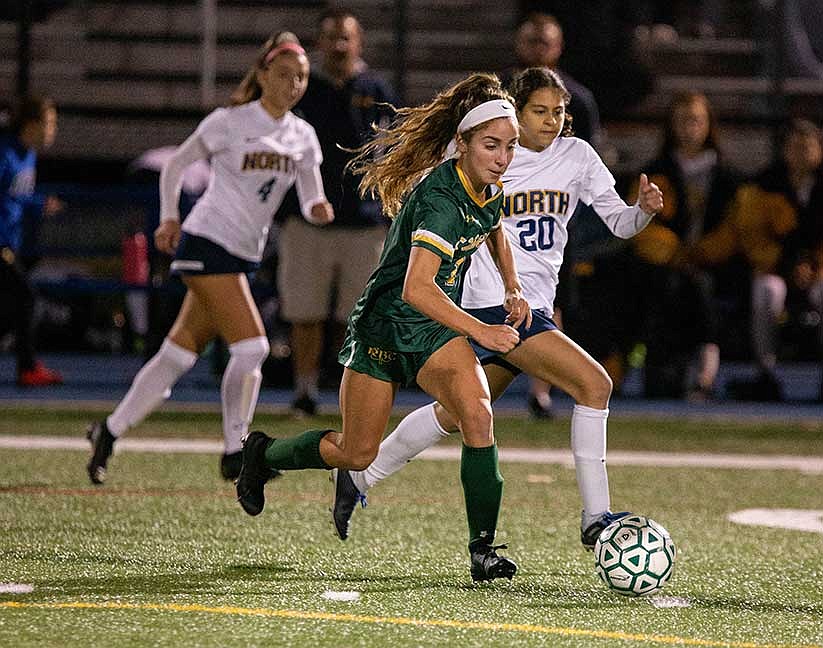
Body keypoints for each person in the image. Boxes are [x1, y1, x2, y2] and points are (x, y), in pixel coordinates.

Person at [330, 67, 663, 548]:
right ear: (514, 111)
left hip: (531, 306)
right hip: (490, 307)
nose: (551, 122)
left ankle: (359, 479)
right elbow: (440, 208)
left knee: (453, 413)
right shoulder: (482, 155)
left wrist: (643, 211)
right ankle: (596, 519)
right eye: (540, 112)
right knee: (594, 385)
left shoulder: (578, 156)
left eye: (559, 112)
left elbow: (619, 222)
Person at [235, 73, 531, 583]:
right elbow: (416, 289)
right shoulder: (440, 200)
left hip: (435, 329)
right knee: (355, 452)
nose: (502, 157)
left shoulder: (487, 184)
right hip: (386, 327)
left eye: (509, 146)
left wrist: (512, 285)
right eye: (491, 145)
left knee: (478, 413)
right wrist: (481, 332)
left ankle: (483, 550)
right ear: (461, 144)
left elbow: (495, 227)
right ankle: (262, 454)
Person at [85, 32, 334, 485]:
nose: (293, 84)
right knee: (253, 347)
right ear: (261, 76)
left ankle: (107, 431)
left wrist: (318, 210)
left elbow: (311, 195)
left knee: (175, 359)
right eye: (283, 75)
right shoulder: (230, 121)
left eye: (300, 77)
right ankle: (234, 452)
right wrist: (167, 219)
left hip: (242, 253)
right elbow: (176, 165)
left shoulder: (303, 135)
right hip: (206, 241)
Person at [277, 8, 397, 416]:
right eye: (332, 37)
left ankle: (352, 393)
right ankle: (305, 389)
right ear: (319, 43)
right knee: (305, 312)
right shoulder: (303, 88)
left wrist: (388, 208)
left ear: (359, 42)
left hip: (363, 221)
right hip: (308, 219)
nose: (340, 45)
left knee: (358, 316)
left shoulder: (378, 87)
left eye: (347, 37)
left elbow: (395, 152)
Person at [506, 11, 603, 417]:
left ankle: (541, 389)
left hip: (550, 220)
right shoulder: (498, 93)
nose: (538, 50)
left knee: (549, 300)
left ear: (559, 48)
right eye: (532, 41)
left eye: (545, 42)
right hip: (502, 217)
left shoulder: (577, 99)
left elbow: (588, 164)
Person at [693, 118, 823, 400]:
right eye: (794, 146)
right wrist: (787, 266)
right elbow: (753, 236)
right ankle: (766, 371)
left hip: (817, 272)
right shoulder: (765, 185)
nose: (801, 153)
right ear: (784, 150)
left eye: (808, 147)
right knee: (766, 291)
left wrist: (814, 267)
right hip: (776, 269)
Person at [628, 91, 739, 399]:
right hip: (664, 268)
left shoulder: (727, 176)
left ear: (708, 125)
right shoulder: (655, 171)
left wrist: (702, 252)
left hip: (716, 266)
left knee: (703, 289)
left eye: (696, 120)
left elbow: (735, 227)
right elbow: (638, 223)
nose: (690, 127)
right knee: (669, 288)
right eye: (683, 120)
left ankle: (705, 377)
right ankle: (664, 374)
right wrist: (676, 254)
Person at [0, 95, 64, 387]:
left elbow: (19, 195)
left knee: (13, 304)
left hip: (11, 242)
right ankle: (27, 369)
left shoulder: (29, 155)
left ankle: (27, 367)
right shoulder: (5, 153)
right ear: (30, 124)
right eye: (48, 123)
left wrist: (39, 204)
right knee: (25, 297)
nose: (53, 130)